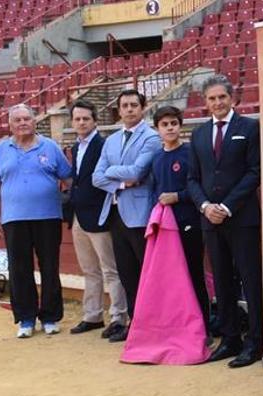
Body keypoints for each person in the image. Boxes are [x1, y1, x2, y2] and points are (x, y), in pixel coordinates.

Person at [187, 74, 263, 368]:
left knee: (250, 280)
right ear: (205, 103)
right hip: (210, 220)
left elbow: (255, 172)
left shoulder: (249, 127)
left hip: (241, 218)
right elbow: (193, 179)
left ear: (232, 98)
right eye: (212, 98)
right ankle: (230, 339)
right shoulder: (198, 134)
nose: (217, 102)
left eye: (222, 97)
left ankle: (255, 343)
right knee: (221, 282)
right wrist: (206, 206)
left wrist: (227, 206)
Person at [0, 104, 73, 337]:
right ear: (10, 125)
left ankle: (50, 317)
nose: (23, 123)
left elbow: (68, 179)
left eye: (27, 119)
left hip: (48, 217)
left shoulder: (50, 147)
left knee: (50, 267)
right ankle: (25, 319)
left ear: (35, 122)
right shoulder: (1, 150)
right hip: (14, 219)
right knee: (19, 269)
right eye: (18, 120)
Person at [92, 89, 161, 343]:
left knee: (146, 272)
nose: (129, 109)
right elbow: (96, 177)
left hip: (141, 214)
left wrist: (113, 172)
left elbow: (137, 171)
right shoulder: (110, 140)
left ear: (142, 108)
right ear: (118, 110)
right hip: (116, 213)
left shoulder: (150, 137)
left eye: (134, 105)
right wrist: (120, 184)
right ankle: (136, 322)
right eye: (125, 105)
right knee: (127, 273)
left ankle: (154, 323)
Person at [65, 99, 129, 337]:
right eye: (77, 119)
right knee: (89, 269)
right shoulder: (75, 148)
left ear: (95, 121)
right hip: (79, 216)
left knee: (109, 269)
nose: (81, 122)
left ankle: (118, 317)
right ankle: (92, 316)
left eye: (86, 119)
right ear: (72, 122)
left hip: (100, 215)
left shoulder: (104, 145)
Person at [149, 106, 209, 325]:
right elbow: (155, 190)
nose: (170, 128)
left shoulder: (190, 153)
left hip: (189, 222)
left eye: (173, 123)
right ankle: (177, 323)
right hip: (166, 227)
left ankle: (203, 325)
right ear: (157, 129)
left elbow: (200, 188)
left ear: (180, 126)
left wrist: (178, 197)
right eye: (164, 125)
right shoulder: (156, 158)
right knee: (170, 278)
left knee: (193, 275)